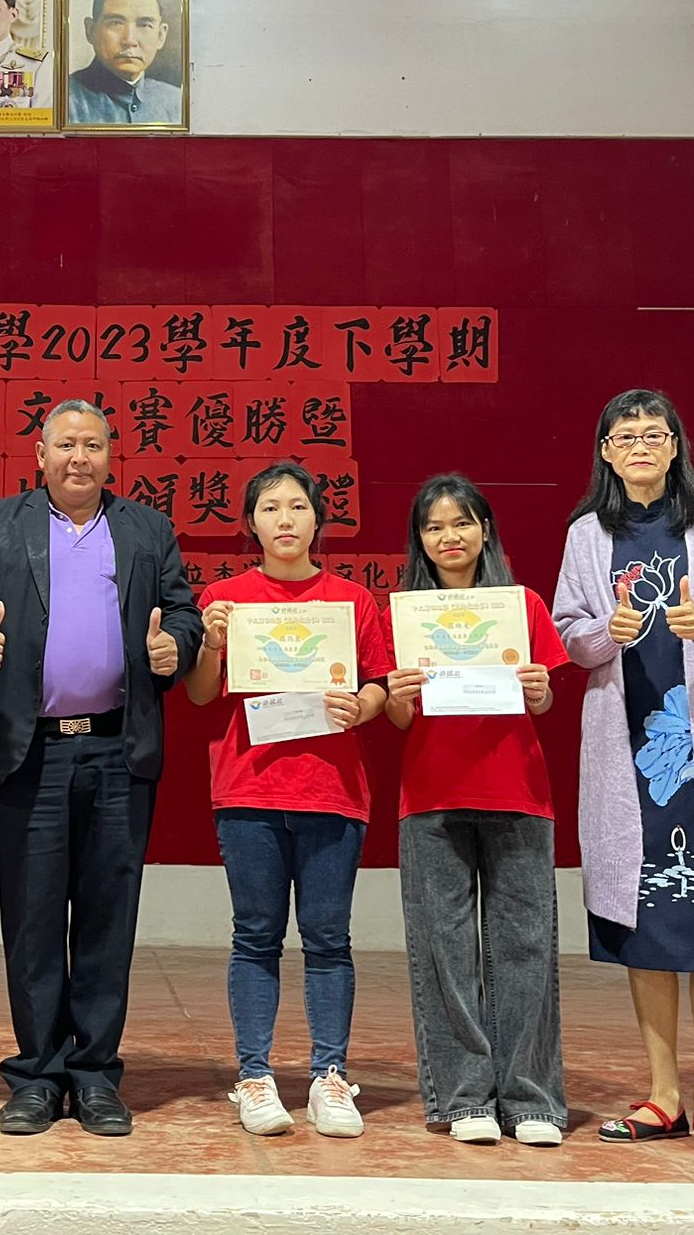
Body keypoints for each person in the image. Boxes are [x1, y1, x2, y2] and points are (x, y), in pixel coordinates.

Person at [0, 399, 202, 1136]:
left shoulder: (147, 529)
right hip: (31, 751)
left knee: (108, 919)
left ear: (110, 455)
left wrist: (175, 647)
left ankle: (94, 1075)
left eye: (92, 445)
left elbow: (183, 612)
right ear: (40, 454)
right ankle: (37, 1075)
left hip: (119, 750)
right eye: (65, 445)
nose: (78, 458)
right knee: (32, 920)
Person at [552, 388, 694, 1159]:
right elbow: (566, 634)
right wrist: (605, 633)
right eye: (625, 437)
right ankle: (662, 1096)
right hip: (631, 758)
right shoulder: (588, 533)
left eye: (654, 434)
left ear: (676, 445)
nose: (641, 447)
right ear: (607, 453)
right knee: (645, 927)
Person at [184, 463, 391, 1139]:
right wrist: (211, 642)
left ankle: (330, 1076)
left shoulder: (350, 601)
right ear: (251, 522)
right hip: (248, 790)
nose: (284, 519)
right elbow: (200, 693)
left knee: (329, 939)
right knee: (256, 936)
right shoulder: (226, 598)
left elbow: (379, 684)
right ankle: (254, 1076)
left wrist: (362, 705)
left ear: (317, 519)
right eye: (270, 507)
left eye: (297, 506)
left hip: (332, 791)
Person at [388, 473, 569, 1147]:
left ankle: (531, 1100)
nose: (449, 537)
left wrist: (539, 690)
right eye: (434, 527)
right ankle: (464, 1097)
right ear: (420, 539)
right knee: (445, 952)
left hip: (517, 793)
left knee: (526, 948)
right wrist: (399, 695)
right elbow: (399, 718)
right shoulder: (404, 615)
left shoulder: (522, 606)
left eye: (461, 522)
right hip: (432, 797)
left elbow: (543, 700)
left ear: (484, 530)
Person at [64, 0, 183, 126]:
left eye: (144, 25)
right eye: (116, 23)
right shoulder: (62, 98)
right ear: (91, 31)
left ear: (161, 35)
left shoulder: (177, 101)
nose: (129, 40)